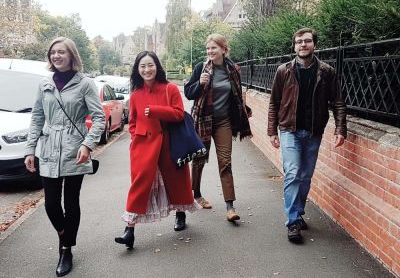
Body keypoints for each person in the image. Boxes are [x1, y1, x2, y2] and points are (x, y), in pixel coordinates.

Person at [24, 37, 105, 276]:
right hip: (49, 148)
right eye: (53, 52)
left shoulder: (85, 83)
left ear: (71, 55)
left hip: (74, 149)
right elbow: (37, 117)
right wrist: (30, 149)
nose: (56, 56)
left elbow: (99, 118)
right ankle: (64, 234)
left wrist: (88, 145)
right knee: (50, 204)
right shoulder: (44, 84)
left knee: (71, 202)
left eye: (61, 52)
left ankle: (66, 249)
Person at [268, 28, 347, 243]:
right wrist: (271, 131)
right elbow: (274, 102)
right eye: (299, 42)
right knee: (293, 172)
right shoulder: (283, 71)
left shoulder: (326, 72)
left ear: (314, 45)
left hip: (314, 131)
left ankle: (298, 211)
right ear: (294, 46)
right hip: (289, 130)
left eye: (307, 41)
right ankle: (293, 221)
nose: (303, 45)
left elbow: (338, 102)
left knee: (305, 176)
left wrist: (341, 129)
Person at [115, 51, 200, 250]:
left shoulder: (169, 88)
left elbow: (179, 114)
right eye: (142, 66)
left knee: (176, 182)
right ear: (137, 69)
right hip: (144, 147)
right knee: (139, 185)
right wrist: (136, 137)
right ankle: (129, 230)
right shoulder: (135, 95)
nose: (147, 69)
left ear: (157, 66)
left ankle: (180, 214)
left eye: (150, 65)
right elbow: (133, 123)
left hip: (169, 144)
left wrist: (155, 110)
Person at [184, 34, 252, 222]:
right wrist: (200, 83)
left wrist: (244, 109)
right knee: (198, 159)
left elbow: (236, 94)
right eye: (208, 49)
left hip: (223, 121)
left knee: (225, 161)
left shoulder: (232, 69)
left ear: (223, 49)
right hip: (203, 120)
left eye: (214, 48)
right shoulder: (201, 68)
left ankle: (230, 207)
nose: (210, 51)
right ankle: (195, 194)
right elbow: (189, 93)